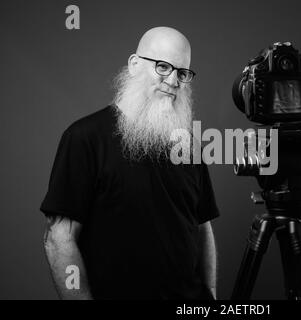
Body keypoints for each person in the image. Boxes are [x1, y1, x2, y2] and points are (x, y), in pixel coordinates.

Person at [40, 27, 219, 300]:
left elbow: (202, 228)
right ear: (134, 65)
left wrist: (212, 296)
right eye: (162, 67)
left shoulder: (189, 144)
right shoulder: (85, 137)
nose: (173, 81)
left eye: (182, 73)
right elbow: (59, 239)